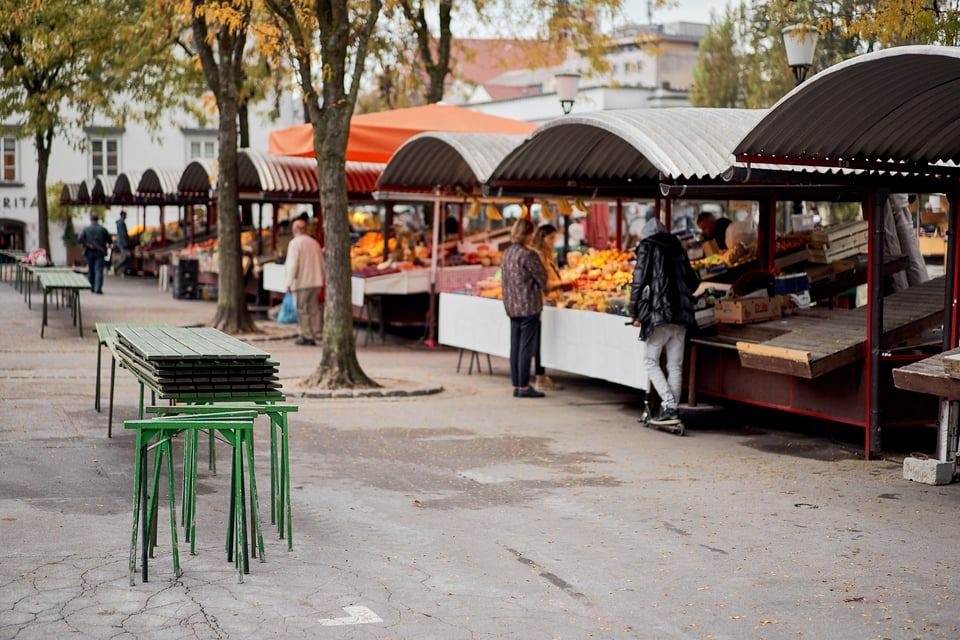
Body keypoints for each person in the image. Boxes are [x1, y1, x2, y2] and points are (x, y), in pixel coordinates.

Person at [629, 217, 701, 425]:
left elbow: (638, 281)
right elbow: (694, 281)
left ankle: (669, 405)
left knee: (650, 361)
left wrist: (634, 312)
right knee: (675, 365)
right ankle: (672, 410)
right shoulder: (678, 248)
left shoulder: (647, 246)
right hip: (682, 316)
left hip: (658, 315)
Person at [501, 218, 547, 398]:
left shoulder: (507, 253)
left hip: (511, 304)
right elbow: (542, 279)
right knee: (526, 346)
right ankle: (524, 386)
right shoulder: (528, 255)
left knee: (516, 345)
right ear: (529, 234)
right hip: (528, 304)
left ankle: (517, 384)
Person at [530, 223, 569, 390]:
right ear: (542, 238)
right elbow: (545, 283)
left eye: (554, 237)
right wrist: (563, 283)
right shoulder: (538, 256)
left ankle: (542, 374)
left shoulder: (547, 255)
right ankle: (539, 375)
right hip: (543, 301)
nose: (553, 241)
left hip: (551, 301)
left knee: (543, 339)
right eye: (550, 238)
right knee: (540, 340)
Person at [285, 218, 326, 346]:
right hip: (316, 281)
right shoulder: (315, 243)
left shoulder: (295, 243)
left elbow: (293, 264)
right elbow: (322, 263)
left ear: (295, 230)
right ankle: (315, 332)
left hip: (302, 282)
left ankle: (306, 335)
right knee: (314, 309)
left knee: (302, 309)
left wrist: (289, 282)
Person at [77, 212, 112, 294]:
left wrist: (87, 244)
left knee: (91, 270)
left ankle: (92, 287)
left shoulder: (86, 229)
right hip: (100, 252)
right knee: (99, 270)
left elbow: (80, 238)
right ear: (98, 219)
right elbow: (109, 240)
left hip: (89, 252)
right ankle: (98, 289)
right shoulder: (102, 229)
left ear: (90, 219)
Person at [113, 210, 130, 276]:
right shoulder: (121, 223)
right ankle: (115, 267)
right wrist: (127, 241)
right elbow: (123, 234)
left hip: (120, 242)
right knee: (124, 257)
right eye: (125, 215)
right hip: (122, 242)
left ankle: (124, 271)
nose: (126, 216)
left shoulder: (119, 223)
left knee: (125, 257)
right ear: (122, 215)